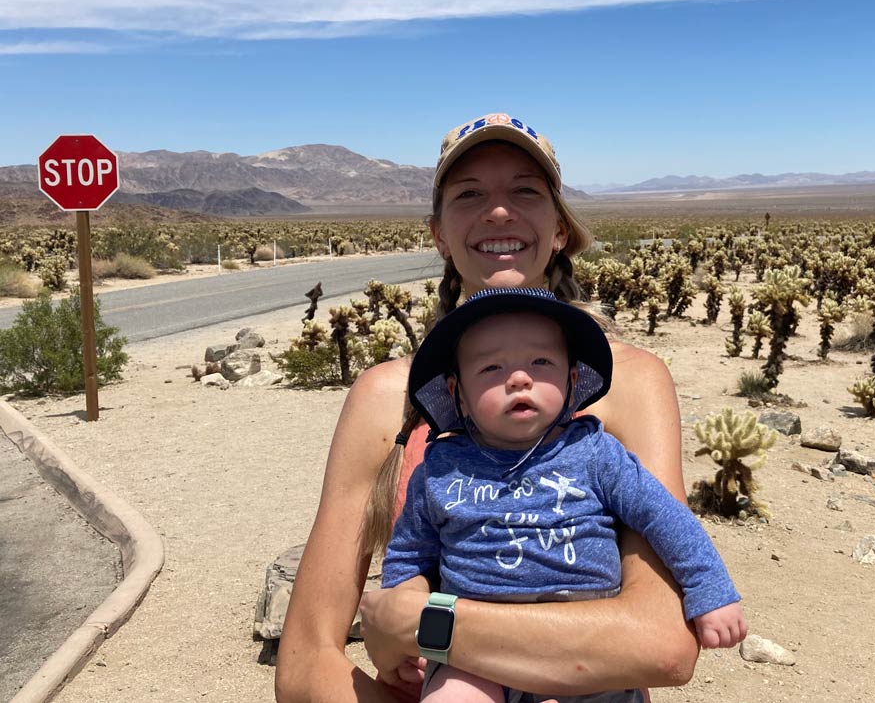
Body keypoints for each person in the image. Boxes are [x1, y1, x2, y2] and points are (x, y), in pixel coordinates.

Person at [276, 114, 702, 703]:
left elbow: (660, 643)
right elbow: (306, 663)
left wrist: (425, 625)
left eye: (525, 191)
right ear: (439, 234)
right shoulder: (386, 397)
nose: (498, 211)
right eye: (469, 194)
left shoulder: (627, 383)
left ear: (559, 229)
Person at [384, 287, 747, 702]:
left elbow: (664, 517)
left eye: (541, 362)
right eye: (491, 368)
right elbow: (409, 555)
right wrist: (402, 621)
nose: (519, 378)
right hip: (473, 653)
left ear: (571, 380)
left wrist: (709, 590)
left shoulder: (594, 453)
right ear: (457, 393)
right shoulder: (439, 469)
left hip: (586, 643)